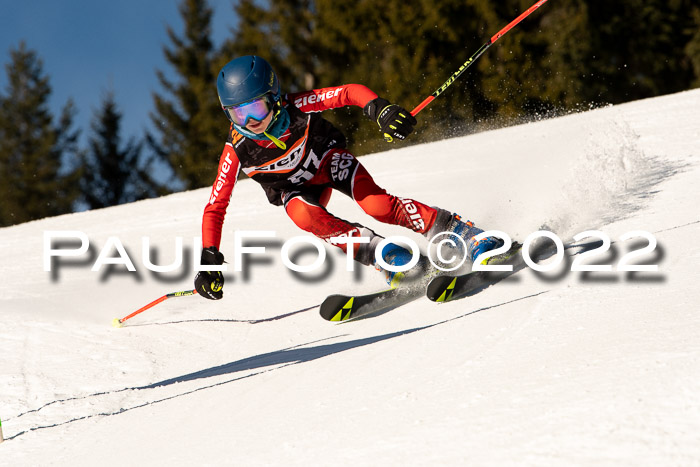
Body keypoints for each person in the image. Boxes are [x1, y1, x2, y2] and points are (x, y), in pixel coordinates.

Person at [194, 55, 501, 300]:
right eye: (237, 114)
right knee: (303, 215)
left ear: (273, 96)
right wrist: (209, 257)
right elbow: (215, 207)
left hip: (328, 162)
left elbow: (348, 92)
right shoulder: (237, 149)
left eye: (256, 108)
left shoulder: (297, 106)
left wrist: (379, 110)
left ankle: (460, 232)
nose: (250, 122)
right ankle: (387, 255)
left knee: (378, 206)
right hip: (294, 191)